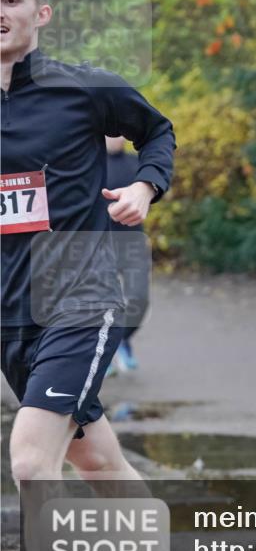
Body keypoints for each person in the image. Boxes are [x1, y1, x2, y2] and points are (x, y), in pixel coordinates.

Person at [0, 0, 212, 551]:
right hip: (10, 315)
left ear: (41, 12)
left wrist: (147, 187)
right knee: (98, 464)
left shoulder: (82, 88)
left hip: (81, 297)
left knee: (34, 462)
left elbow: (158, 132)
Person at [105, 135, 149, 374]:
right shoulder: (90, 164)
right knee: (101, 304)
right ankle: (104, 352)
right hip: (98, 242)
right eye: (110, 133)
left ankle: (120, 339)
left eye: (120, 132)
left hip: (132, 242)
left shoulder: (136, 163)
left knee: (139, 298)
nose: (116, 138)